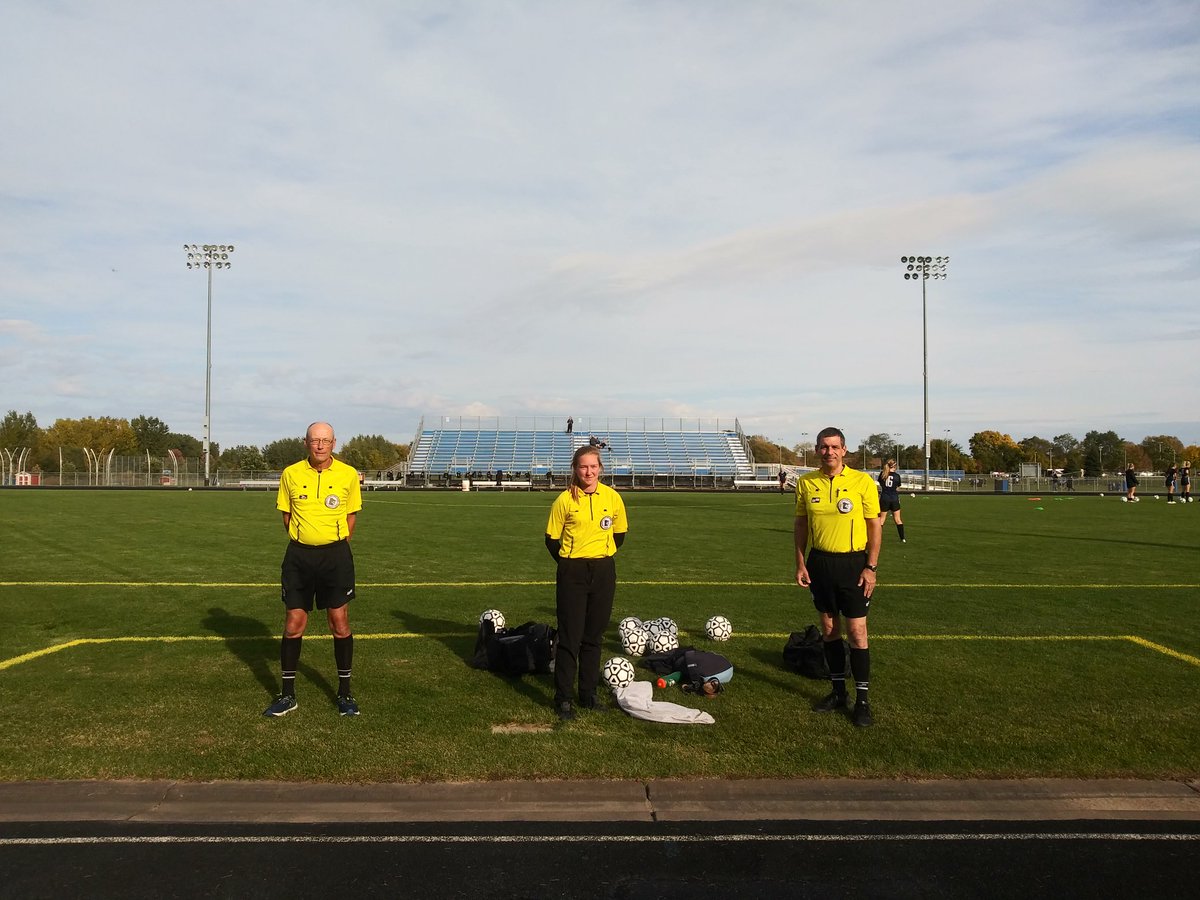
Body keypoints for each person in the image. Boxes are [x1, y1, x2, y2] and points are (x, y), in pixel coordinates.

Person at [264, 421, 363, 718]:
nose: (320, 445)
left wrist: (329, 543)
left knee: (339, 622)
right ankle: (287, 695)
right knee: (293, 624)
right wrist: (305, 539)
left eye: (325, 440)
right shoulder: (291, 473)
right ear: (305, 443)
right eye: (314, 440)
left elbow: (351, 518)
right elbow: (287, 515)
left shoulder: (347, 474)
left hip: (336, 558)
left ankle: (345, 694)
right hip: (298, 557)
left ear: (334, 443)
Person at [794, 427, 882, 727]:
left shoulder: (862, 482)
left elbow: (874, 526)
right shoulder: (806, 483)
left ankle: (863, 701)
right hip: (820, 563)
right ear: (817, 450)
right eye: (823, 447)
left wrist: (870, 567)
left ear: (844, 450)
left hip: (854, 564)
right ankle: (837, 692)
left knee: (857, 633)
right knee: (829, 629)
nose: (828, 452)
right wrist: (801, 563)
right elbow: (801, 525)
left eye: (834, 447)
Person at [544, 444, 628, 721]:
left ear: (600, 468)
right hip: (572, 572)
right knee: (570, 637)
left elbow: (619, 535)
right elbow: (551, 540)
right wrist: (571, 563)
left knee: (594, 636)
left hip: (603, 570)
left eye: (593, 466)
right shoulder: (564, 501)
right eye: (583, 466)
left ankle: (588, 695)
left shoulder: (613, 497)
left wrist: (598, 557)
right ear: (575, 469)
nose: (588, 471)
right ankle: (564, 698)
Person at [877, 459, 906, 542]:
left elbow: (881, 485)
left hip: (884, 498)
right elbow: (897, 487)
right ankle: (902, 538)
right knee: (898, 519)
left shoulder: (882, 474)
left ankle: (878, 538)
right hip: (894, 498)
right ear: (894, 466)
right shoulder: (897, 476)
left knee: (881, 520)